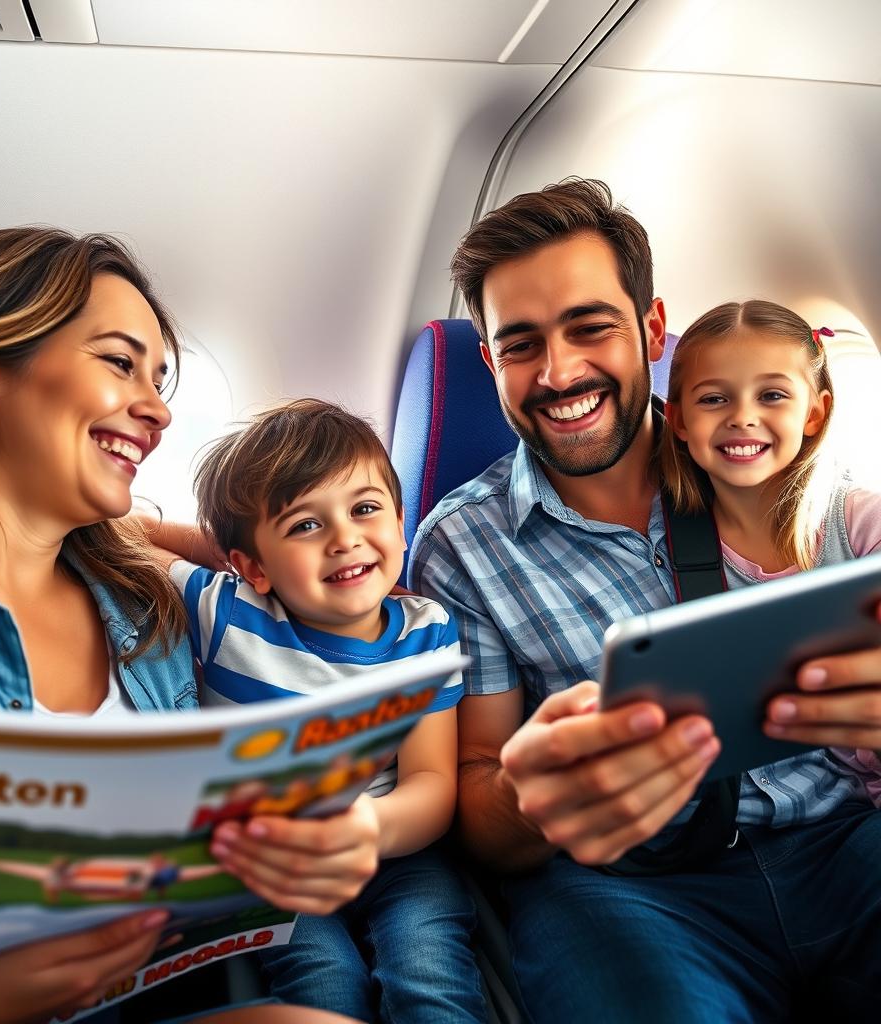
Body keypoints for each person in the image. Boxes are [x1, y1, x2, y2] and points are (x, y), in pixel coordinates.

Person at [0, 229, 375, 1024]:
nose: (159, 409)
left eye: (161, 378)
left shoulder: (142, 609)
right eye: (119, 361)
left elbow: (286, 575)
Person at [409, 178, 881, 1019]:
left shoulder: (763, 455)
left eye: (590, 329)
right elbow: (477, 792)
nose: (559, 373)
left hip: (847, 839)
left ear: (651, 329)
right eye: (520, 345)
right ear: (490, 362)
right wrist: (530, 794)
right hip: (629, 888)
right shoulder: (460, 545)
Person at [155, 399, 487, 1024]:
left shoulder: (428, 633)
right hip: (269, 862)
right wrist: (225, 556)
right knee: (324, 977)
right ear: (251, 565)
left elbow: (432, 784)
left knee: (428, 967)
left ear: (398, 516)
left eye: (365, 509)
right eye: (306, 525)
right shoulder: (225, 614)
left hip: (397, 851)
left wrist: (369, 827)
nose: (345, 539)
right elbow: (123, 535)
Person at [660, 298, 881, 801]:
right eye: (714, 399)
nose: (743, 417)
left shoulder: (862, 525)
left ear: (815, 412)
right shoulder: (671, 547)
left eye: (773, 395)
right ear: (678, 421)